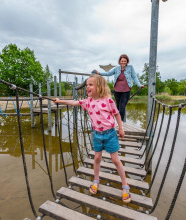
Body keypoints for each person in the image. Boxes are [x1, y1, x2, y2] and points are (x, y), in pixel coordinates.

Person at [53, 74, 132, 203]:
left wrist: (121, 129)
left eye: (90, 85)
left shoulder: (108, 100)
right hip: (97, 134)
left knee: (116, 160)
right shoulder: (88, 101)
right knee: (97, 158)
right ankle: (96, 180)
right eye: (87, 85)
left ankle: (125, 185)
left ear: (99, 87)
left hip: (110, 134)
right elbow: (74, 102)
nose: (87, 87)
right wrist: (59, 100)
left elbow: (117, 114)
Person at [96, 54, 145, 121]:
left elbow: (134, 77)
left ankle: (121, 124)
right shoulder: (116, 68)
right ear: (119, 61)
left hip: (126, 90)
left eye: (125, 61)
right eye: (122, 61)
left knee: (122, 107)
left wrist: (140, 85)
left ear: (127, 61)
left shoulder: (130, 68)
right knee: (118, 107)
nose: (123, 62)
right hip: (117, 90)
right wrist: (99, 73)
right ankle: (117, 122)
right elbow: (109, 73)